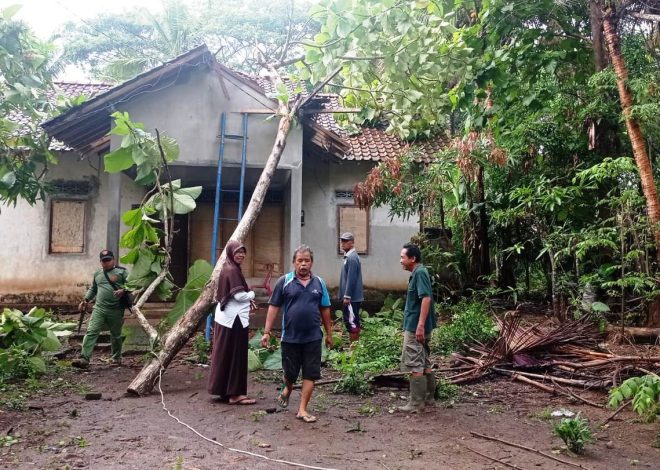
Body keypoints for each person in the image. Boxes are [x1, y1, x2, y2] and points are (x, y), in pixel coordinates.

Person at [261, 245, 333, 423]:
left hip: (313, 337)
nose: (303, 264)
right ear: (294, 262)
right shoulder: (284, 281)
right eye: (300, 260)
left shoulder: (319, 283)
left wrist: (329, 334)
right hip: (290, 337)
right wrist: (267, 332)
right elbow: (274, 307)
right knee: (290, 373)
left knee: (310, 373)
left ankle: (302, 409)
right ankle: (288, 388)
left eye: (306, 261)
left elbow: (325, 309)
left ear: (311, 263)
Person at [207, 241, 257, 405]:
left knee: (225, 354)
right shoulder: (231, 270)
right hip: (234, 320)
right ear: (230, 253)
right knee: (236, 355)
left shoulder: (230, 267)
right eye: (238, 252)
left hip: (228, 319)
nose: (241, 255)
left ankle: (224, 390)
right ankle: (235, 394)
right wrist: (252, 294)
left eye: (243, 252)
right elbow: (239, 296)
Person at [72, 249, 130, 369]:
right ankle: (84, 358)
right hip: (99, 308)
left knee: (116, 335)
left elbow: (132, 285)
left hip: (116, 309)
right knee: (91, 331)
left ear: (113, 259)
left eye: (108, 260)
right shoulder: (98, 274)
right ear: (100, 262)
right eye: (104, 261)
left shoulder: (122, 272)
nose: (106, 263)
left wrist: (123, 290)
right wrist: (85, 300)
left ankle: (116, 358)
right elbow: (93, 289)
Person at [398, 243, 437, 412]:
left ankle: (416, 403)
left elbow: (426, 298)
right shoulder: (419, 272)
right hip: (418, 325)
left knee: (415, 363)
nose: (400, 261)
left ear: (412, 259)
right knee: (424, 361)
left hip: (416, 327)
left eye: (402, 257)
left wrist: (420, 325)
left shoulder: (420, 273)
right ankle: (428, 399)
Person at [338, 232, 364, 342]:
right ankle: (353, 348)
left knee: (352, 322)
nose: (342, 244)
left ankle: (354, 349)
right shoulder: (348, 257)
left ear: (352, 243)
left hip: (351, 299)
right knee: (350, 321)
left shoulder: (352, 258)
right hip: (350, 298)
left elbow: (351, 278)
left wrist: (347, 296)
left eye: (345, 241)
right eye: (342, 241)